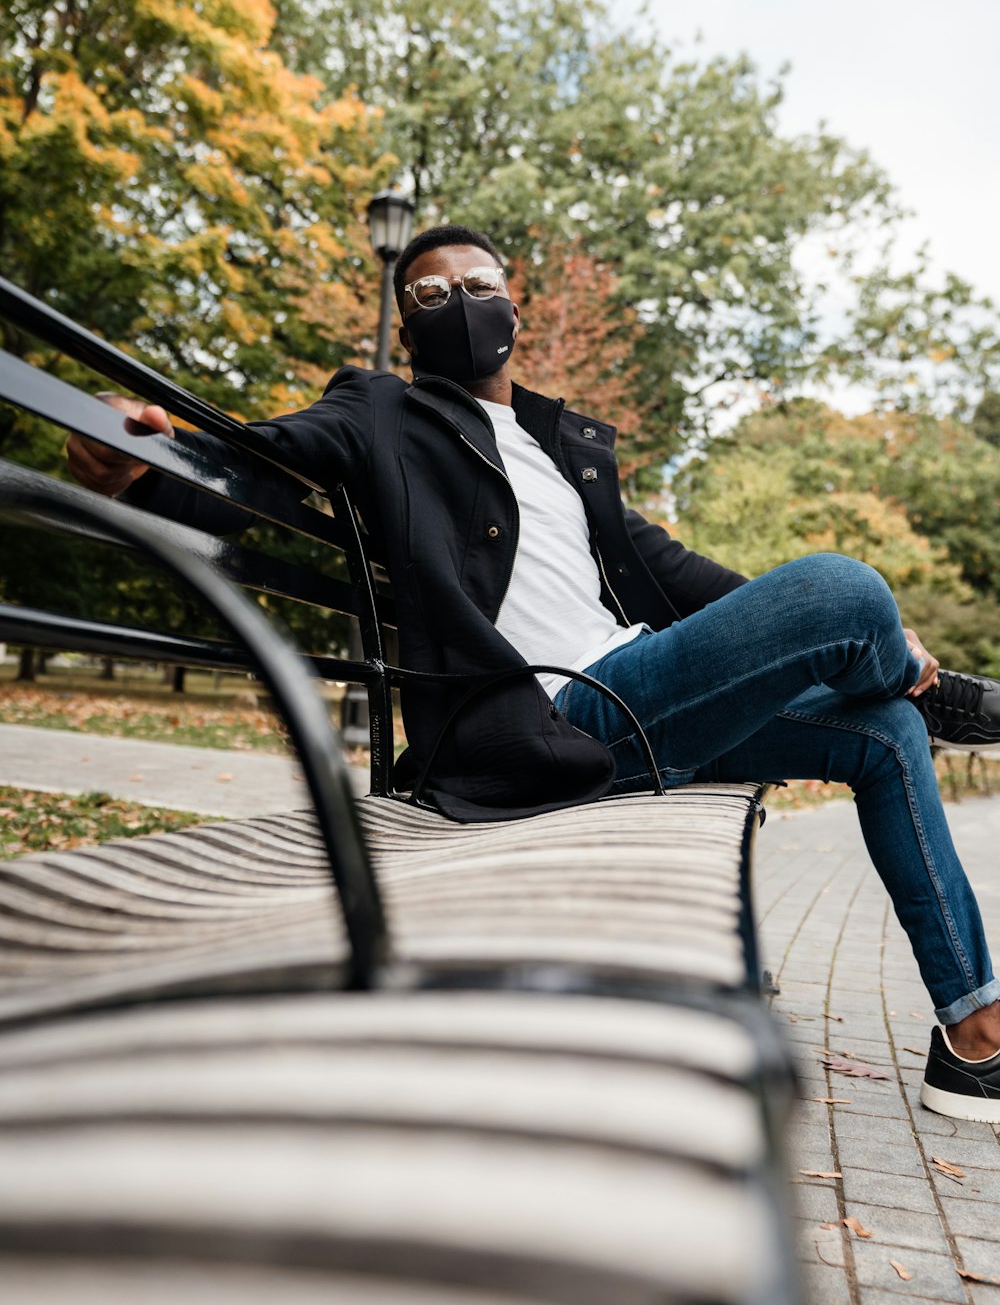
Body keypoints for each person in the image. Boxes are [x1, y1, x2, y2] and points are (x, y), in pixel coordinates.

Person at [66, 223, 1000, 1121]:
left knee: (884, 725)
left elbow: (673, 574)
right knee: (846, 588)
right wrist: (142, 460)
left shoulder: (564, 450)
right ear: (405, 326)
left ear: (517, 308)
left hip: (640, 689)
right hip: (551, 715)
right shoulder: (381, 408)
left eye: (479, 285)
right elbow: (261, 469)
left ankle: (975, 1037)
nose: (458, 302)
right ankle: (927, 681)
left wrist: (817, 629)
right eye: (430, 293)